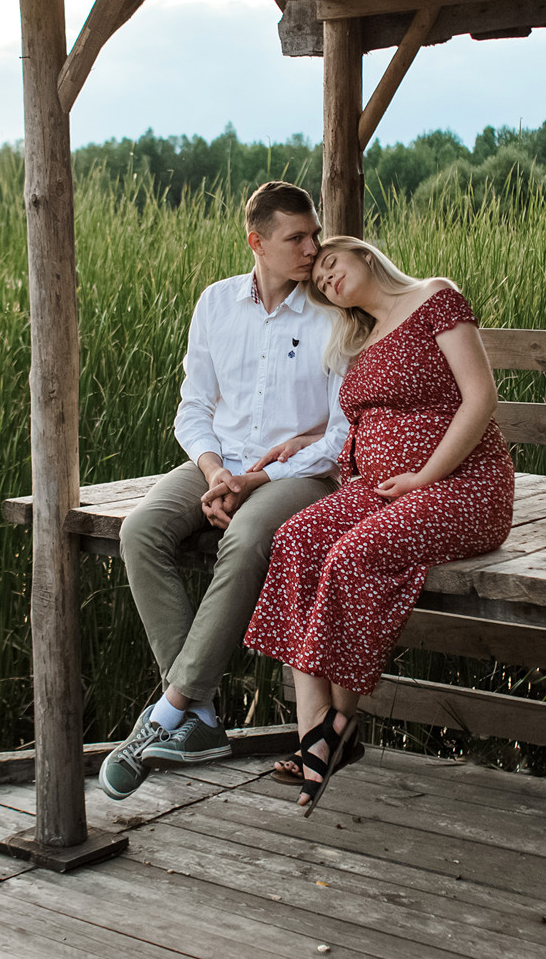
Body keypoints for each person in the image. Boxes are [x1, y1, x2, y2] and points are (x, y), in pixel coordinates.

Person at [246, 236, 513, 814]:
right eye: (319, 282)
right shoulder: (361, 340)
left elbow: (481, 397)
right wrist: (312, 441)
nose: (327, 279)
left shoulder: (434, 298)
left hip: (461, 485)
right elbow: (362, 420)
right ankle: (314, 729)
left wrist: (424, 475)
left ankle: (340, 724)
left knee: (350, 556)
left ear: (364, 255)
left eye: (331, 264)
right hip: (376, 491)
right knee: (295, 538)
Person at [99, 182, 349, 801]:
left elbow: (343, 434)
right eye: (297, 238)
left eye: (314, 234)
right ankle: (205, 716)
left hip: (299, 474)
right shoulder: (215, 303)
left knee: (245, 539)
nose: (311, 248)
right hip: (221, 463)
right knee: (140, 529)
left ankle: (169, 712)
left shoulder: (333, 311)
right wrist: (215, 474)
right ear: (256, 242)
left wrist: (256, 479)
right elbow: (192, 410)